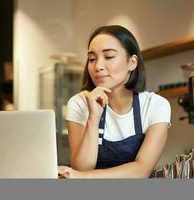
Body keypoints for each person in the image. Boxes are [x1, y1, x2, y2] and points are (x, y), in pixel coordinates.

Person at [58, 25, 171, 178]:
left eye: (109, 56)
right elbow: (82, 168)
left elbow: (142, 169)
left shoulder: (155, 105)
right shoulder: (79, 104)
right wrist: (93, 117)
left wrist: (84, 176)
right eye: (92, 59)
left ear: (132, 62)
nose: (98, 66)